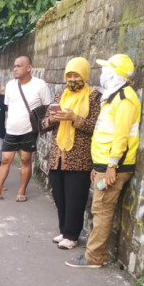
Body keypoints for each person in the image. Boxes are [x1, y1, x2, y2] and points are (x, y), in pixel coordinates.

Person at [66, 53, 140, 268]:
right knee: (99, 209)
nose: (102, 74)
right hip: (104, 165)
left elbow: (121, 136)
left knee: (102, 211)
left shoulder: (125, 100)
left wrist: (110, 167)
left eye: (106, 70)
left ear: (115, 74)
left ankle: (94, 257)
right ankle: (96, 254)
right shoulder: (113, 97)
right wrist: (98, 167)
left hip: (114, 166)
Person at [41, 57, 101, 249]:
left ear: (84, 75)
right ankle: (63, 230)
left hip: (79, 157)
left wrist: (73, 118)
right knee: (59, 195)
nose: (72, 79)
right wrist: (52, 119)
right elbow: (44, 123)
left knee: (75, 197)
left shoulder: (93, 97)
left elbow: (95, 127)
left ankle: (72, 235)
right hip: (58, 156)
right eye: (69, 75)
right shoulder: (60, 95)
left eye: (76, 75)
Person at [0, 54, 51, 202]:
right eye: (14, 66)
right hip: (11, 130)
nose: (15, 69)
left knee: (25, 160)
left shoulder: (40, 85)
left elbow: (47, 107)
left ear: (29, 68)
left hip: (29, 131)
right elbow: (8, 106)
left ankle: (22, 191)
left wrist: (39, 122)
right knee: (5, 159)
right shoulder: (11, 85)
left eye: (19, 66)